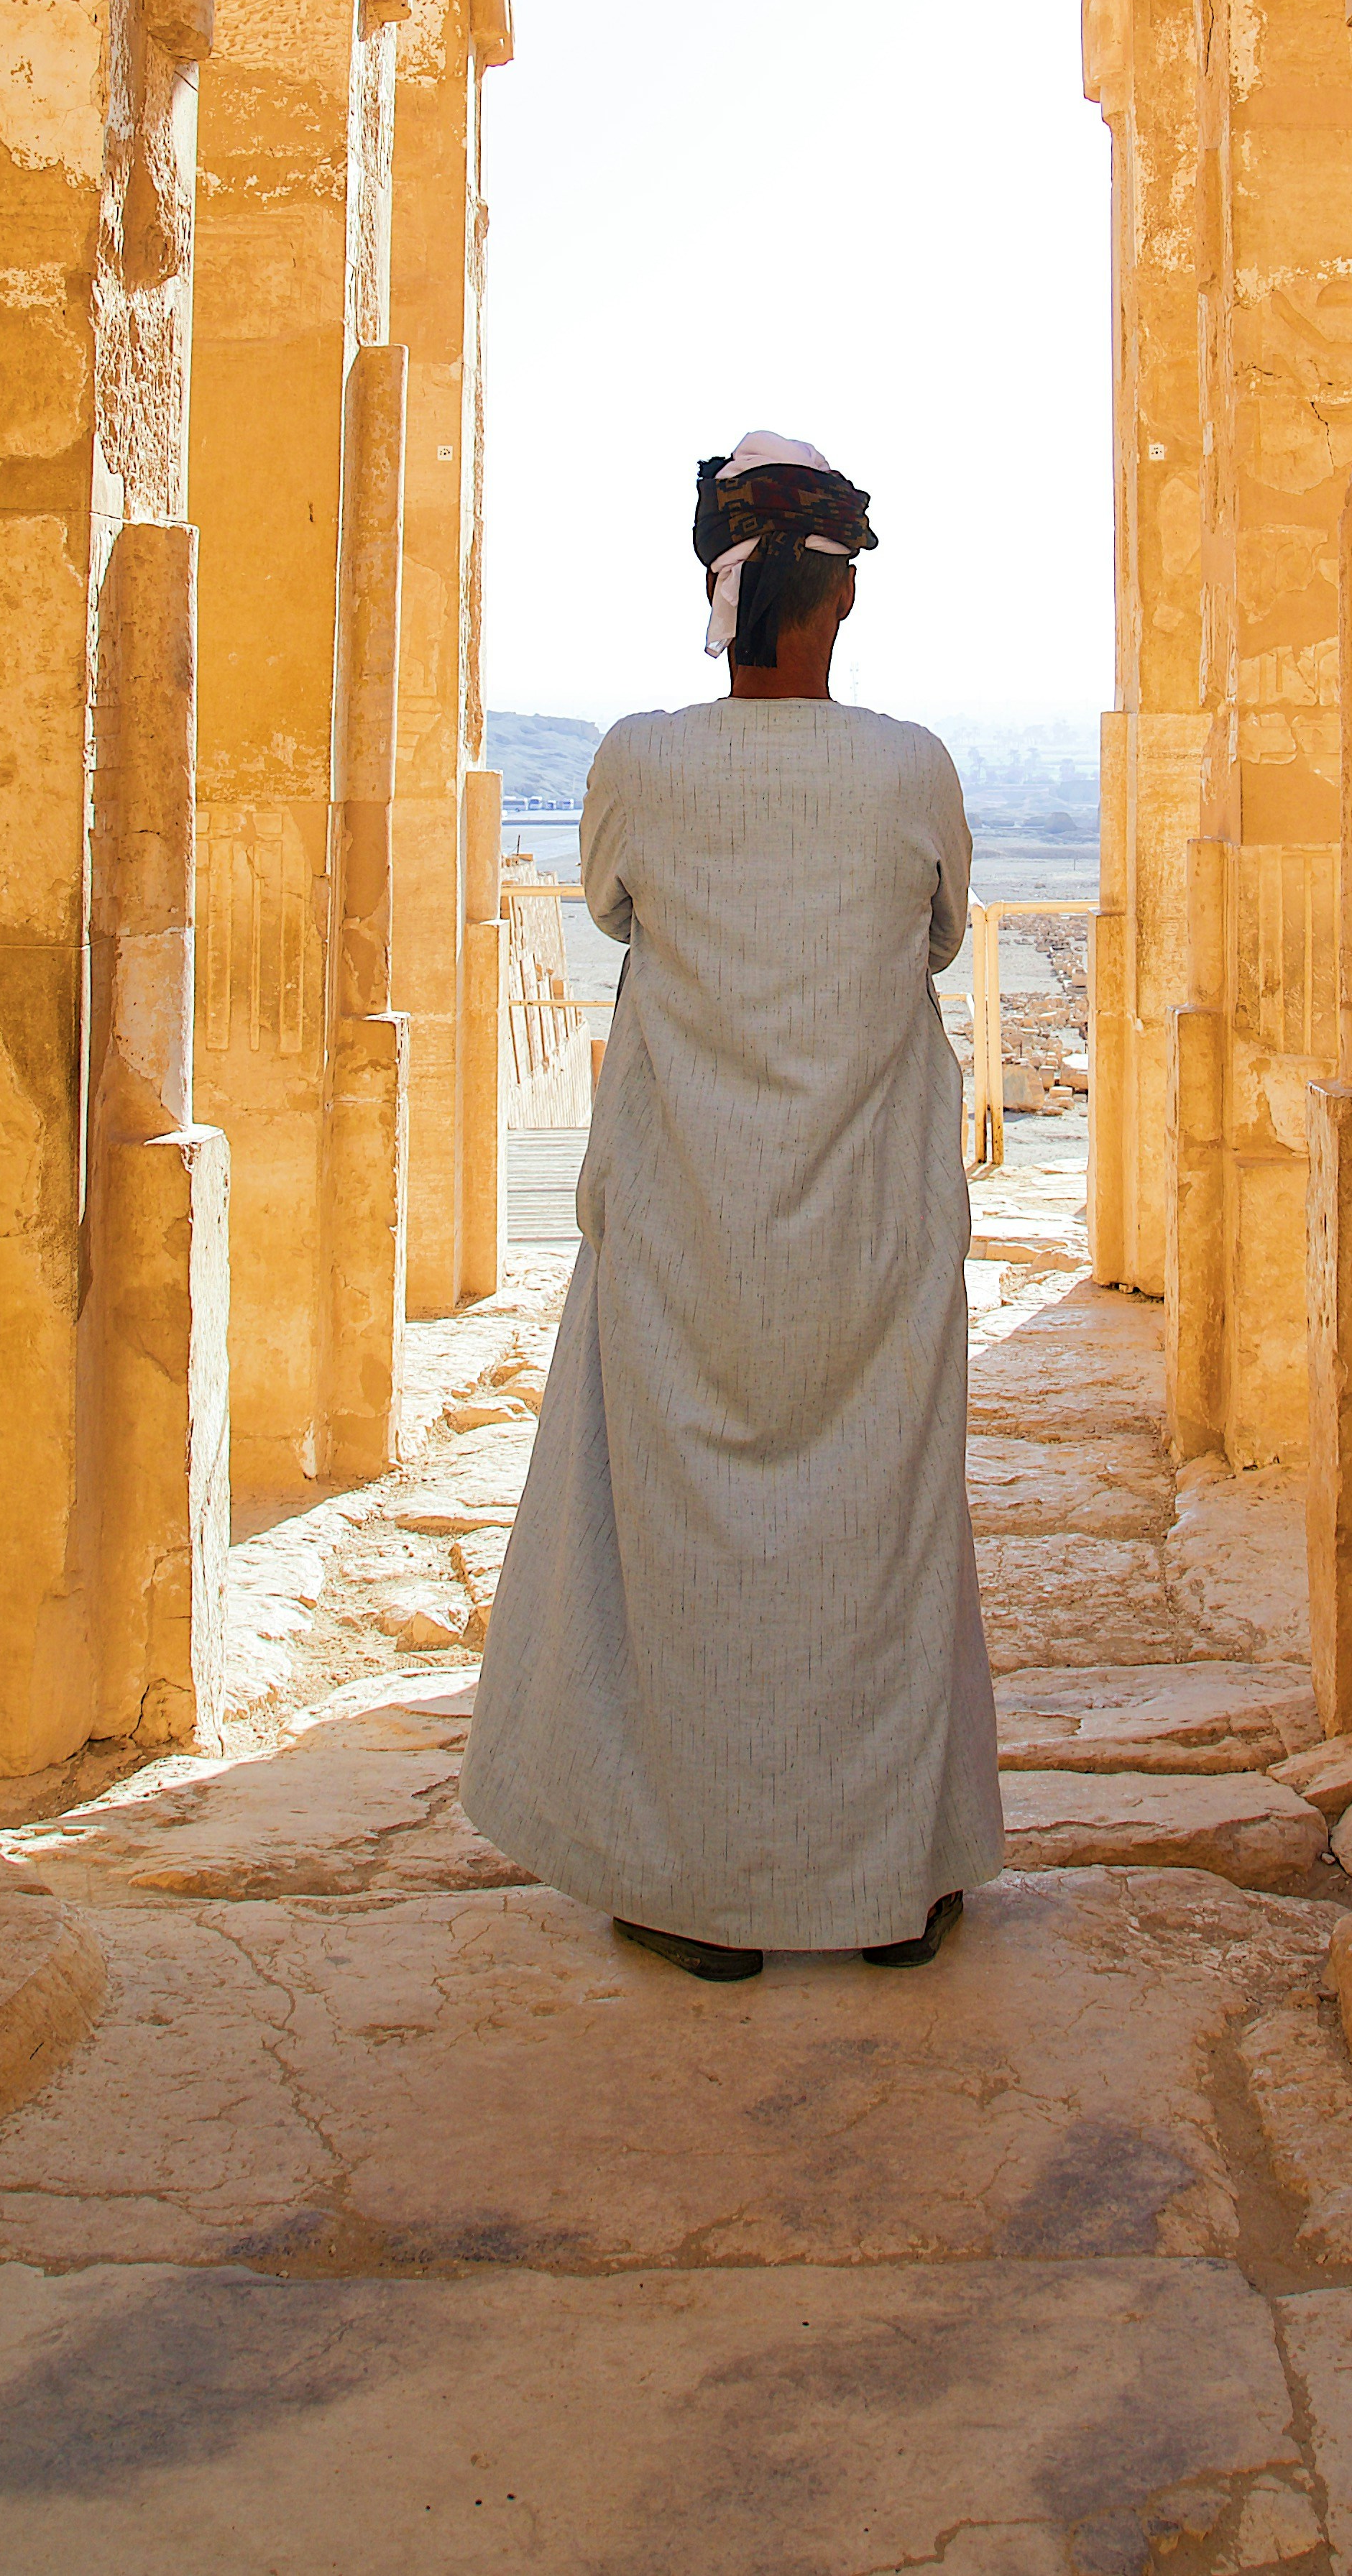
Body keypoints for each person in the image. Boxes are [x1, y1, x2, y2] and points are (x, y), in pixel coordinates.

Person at [460, 428, 1002, 1981]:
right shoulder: (910, 765)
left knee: (688, 1540)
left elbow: (615, 908)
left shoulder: (638, 756)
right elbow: (946, 931)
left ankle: (698, 1887)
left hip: (692, 1220)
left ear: (722, 592)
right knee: (876, 1537)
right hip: (870, 1233)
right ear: (836, 599)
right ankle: (886, 1878)